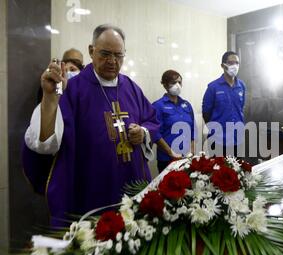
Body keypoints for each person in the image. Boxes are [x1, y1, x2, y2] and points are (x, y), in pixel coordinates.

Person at [23, 24, 161, 226]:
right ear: (91, 51)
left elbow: (152, 120)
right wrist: (50, 98)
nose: (112, 61)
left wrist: (144, 132)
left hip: (132, 188)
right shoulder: (73, 89)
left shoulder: (131, 88)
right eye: (105, 54)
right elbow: (46, 143)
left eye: (118, 55)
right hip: (90, 192)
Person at [202, 51, 246, 157]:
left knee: (237, 171)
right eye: (231, 63)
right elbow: (206, 112)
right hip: (218, 140)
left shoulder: (241, 86)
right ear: (223, 65)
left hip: (237, 139)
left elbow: (241, 108)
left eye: (237, 63)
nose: (234, 66)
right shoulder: (213, 87)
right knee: (219, 172)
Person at [152, 70, 195, 173]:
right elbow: (155, 134)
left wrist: (192, 151)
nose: (177, 85)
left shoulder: (186, 105)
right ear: (165, 85)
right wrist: (171, 153)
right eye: (173, 82)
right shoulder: (158, 106)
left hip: (186, 158)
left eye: (179, 82)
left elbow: (192, 130)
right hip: (167, 159)